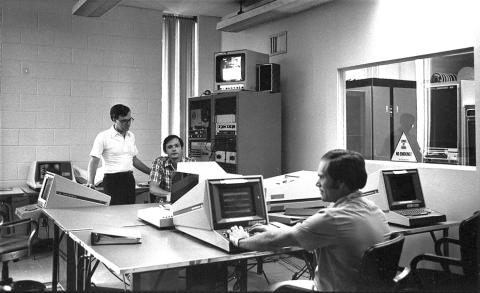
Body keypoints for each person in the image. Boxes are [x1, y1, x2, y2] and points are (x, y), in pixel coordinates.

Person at [227, 149, 391, 291]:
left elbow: (272, 241)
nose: (317, 183)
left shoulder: (332, 219)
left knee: (274, 289)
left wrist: (239, 239)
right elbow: (298, 235)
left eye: (322, 177)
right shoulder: (375, 211)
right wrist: (279, 231)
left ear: (340, 183)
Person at [86, 104, 151, 205]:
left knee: (129, 211)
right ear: (114, 119)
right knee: (115, 214)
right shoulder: (103, 136)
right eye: (124, 121)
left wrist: (151, 172)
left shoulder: (131, 136)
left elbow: (134, 159)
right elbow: (94, 161)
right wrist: (90, 182)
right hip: (112, 181)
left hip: (129, 179)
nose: (128, 123)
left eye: (130, 119)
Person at [149, 134, 195, 203]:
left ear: (182, 148)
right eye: (170, 147)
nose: (174, 149)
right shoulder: (159, 162)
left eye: (177, 146)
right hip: (164, 204)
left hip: (186, 203)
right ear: (165, 151)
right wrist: (172, 196)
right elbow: (153, 188)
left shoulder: (191, 163)